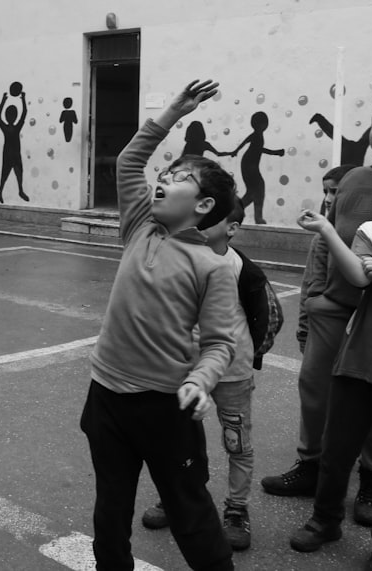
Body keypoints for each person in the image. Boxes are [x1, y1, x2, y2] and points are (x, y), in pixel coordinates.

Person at [79, 79, 238, 571]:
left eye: (180, 175)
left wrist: (199, 380)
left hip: (165, 406)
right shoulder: (139, 227)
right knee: (111, 510)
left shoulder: (213, 267)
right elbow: (129, 162)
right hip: (106, 396)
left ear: (204, 204)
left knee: (190, 512)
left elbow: (217, 344)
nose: (164, 177)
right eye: (168, 170)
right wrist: (171, 112)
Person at [261, 97, 372, 527]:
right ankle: (311, 467)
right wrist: (314, 297)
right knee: (316, 392)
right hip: (333, 306)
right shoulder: (353, 178)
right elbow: (327, 239)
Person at [288, 150, 372, 570]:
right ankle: (325, 521)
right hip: (355, 367)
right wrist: (324, 227)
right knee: (336, 455)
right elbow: (358, 276)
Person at [140, 196, 283, 551]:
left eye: (210, 219)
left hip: (232, 374)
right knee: (180, 440)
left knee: (237, 442)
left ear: (232, 228)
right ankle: (179, 498)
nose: (199, 225)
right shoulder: (179, 258)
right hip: (186, 372)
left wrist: (251, 356)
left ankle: (236, 509)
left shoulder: (243, 270)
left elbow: (270, 317)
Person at [295, 164, 358, 352]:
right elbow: (310, 286)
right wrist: (304, 332)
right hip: (325, 330)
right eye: (325, 192)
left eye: (335, 191)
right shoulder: (322, 237)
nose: (328, 199)